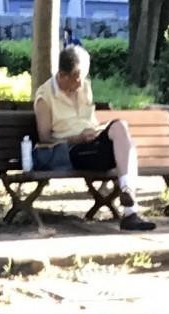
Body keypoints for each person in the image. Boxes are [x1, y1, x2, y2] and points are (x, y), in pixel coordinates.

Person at [33, 44, 156, 232]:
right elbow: (44, 139)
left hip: (93, 145)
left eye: (84, 78)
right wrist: (77, 138)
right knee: (125, 147)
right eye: (77, 79)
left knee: (121, 128)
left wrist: (97, 132)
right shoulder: (45, 96)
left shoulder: (84, 88)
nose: (81, 84)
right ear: (62, 75)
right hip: (73, 152)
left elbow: (90, 121)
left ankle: (127, 196)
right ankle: (130, 210)